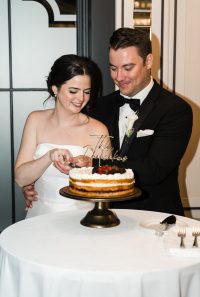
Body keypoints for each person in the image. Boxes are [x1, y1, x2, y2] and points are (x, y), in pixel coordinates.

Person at [23, 27, 193, 216]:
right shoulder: (98, 106)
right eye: (113, 68)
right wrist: (35, 181)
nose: (119, 77)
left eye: (128, 67)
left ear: (148, 61)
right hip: (103, 215)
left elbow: (154, 170)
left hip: (154, 216)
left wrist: (93, 164)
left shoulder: (176, 110)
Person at [15, 54, 111, 217]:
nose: (81, 99)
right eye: (73, 91)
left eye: (86, 92)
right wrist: (49, 157)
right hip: (40, 216)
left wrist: (86, 168)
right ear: (55, 89)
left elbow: (108, 188)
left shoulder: (98, 129)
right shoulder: (35, 120)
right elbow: (21, 179)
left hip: (84, 219)